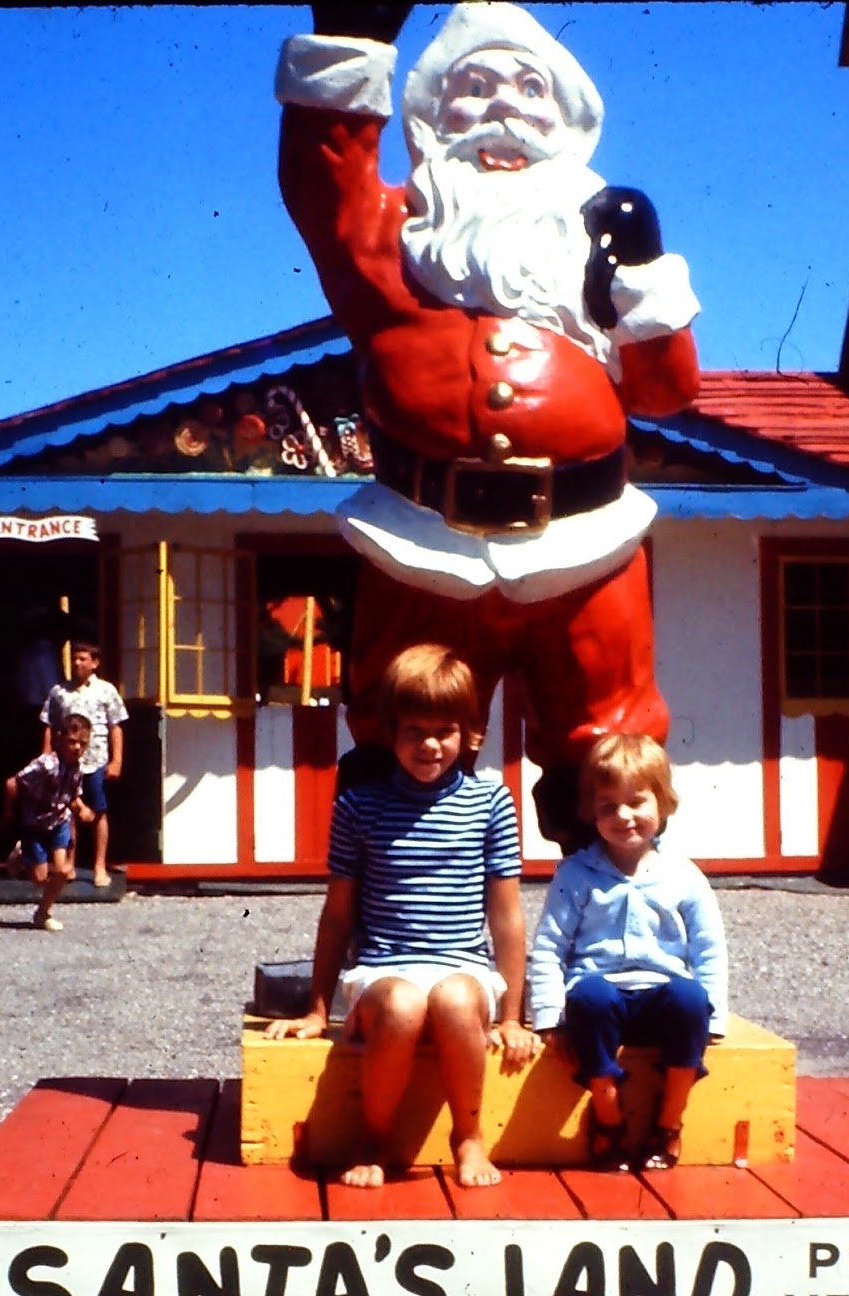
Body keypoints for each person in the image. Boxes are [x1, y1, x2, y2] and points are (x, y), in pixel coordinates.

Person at [276, 2, 701, 847]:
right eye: (473, 87)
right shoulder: (396, 243)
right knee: (406, 740)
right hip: (422, 546)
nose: (502, 109)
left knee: (609, 753)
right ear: (431, 116)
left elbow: (664, 394)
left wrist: (645, 283)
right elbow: (324, 185)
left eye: (528, 89)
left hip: (587, 547)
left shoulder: (598, 252)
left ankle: (613, 946)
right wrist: (351, 46)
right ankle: (404, 936)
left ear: (567, 120)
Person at [264, 643, 537, 1187]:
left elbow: (506, 917)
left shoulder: (491, 803)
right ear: (391, 732)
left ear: (469, 733)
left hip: (463, 966)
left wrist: (510, 1016)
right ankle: (374, 1137)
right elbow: (338, 915)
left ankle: (469, 1136)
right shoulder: (358, 806)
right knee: (405, 1004)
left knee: (457, 1000)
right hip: (383, 971)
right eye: (414, 731)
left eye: (445, 731)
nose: (430, 745)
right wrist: (319, 1008)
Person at [528, 732, 727, 1171]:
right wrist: (548, 1018)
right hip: (601, 1000)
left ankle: (669, 1122)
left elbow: (709, 947)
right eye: (607, 806)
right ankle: (609, 1120)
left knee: (691, 998)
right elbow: (549, 946)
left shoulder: (683, 874)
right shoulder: (577, 873)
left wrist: (715, 1018)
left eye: (637, 802)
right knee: (591, 996)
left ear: (663, 803)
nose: (624, 817)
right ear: (591, 813)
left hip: (660, 997)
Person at [40, 640, 128, 887]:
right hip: (67, 762)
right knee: (68, 812)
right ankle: (69, 863)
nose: (77, 663)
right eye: (75, 659)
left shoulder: (106, 690)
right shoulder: (59, 692)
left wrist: (117, 760)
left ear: (94, 663)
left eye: (83, 659)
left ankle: (99, 866)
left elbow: (115, 726)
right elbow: (50, 725)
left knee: (98, 811)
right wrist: (47, 758)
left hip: (96, 759)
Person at [3, 712, 96, 933]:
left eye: (83, 744)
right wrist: (8, 813)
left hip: (58, 822)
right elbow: (12, 783)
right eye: (72, 742)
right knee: (39, 878)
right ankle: (21, 853)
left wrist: (82, 809)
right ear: (60, 738)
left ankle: (43, 912)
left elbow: (72, 795)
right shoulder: (45, 765)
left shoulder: (77, 768)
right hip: (35, 823)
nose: (77, 748)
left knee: (63, 870)